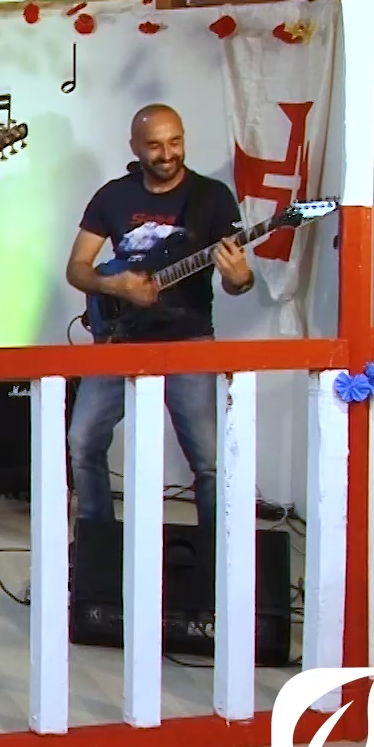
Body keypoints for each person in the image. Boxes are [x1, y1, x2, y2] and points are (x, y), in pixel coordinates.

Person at [64, 103, 254, 530]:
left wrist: (239, 277)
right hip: (118, 337)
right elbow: (77, 268)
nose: (167, 154)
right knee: (82, 441)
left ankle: (214, 551)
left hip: (188, 339)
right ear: (134, 147)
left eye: (175, 142)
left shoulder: (212, 197)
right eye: (154, 145)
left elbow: (237, 283)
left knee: (208, 458)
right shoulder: (113, 196)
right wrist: (118, 286)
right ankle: (96, 542)